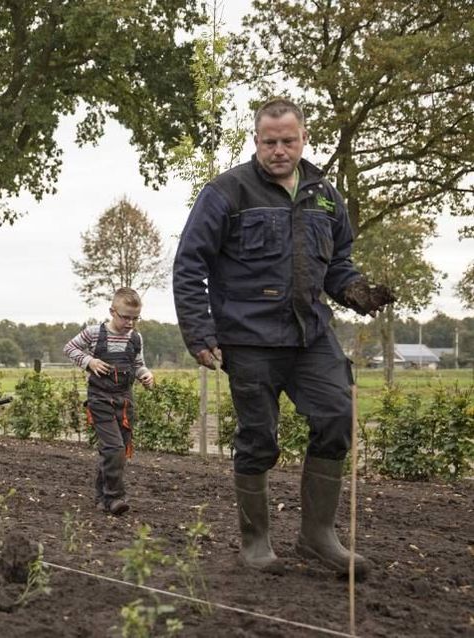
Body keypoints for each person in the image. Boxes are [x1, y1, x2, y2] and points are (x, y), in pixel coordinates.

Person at [173, 97, 394, 578]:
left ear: (303, 139)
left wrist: (355, 291)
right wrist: (199, 332)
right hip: (248, 338)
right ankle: (256, 543)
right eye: (269, 141)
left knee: (338, 414)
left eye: (288, 141)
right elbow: (190, 264)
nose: (279, 150)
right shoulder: (226, 192)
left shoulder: (324, 195)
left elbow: (337, 264)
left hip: (310, 334)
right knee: (258, 439)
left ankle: (318, 537)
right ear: (256, 141)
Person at [64, 287, 155, 516]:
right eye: (126, 317)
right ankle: (116, 498)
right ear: (112, 311)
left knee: (117, 451)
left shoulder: (135, 337)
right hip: (100, 400)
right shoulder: (94, 333)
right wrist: (89, 361)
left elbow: (138, 364)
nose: (130, 323)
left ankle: (102, 498)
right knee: (114, 448)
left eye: (135, 318)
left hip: (124, 402)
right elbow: (69, 348)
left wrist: (146, 375)